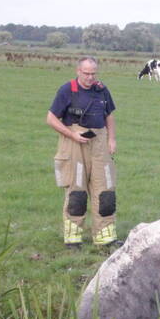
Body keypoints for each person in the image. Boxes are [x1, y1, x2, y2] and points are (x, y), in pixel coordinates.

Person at [46, 56, 118, 248]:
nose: (90, 77)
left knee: (106, 191)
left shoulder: (102, 90)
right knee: (77, 191)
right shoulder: (67, 90)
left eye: (93, 73)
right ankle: (73, 239)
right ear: (78, 71)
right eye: (86, 73)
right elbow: (51, 119)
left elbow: (109, 115)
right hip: (74, 143)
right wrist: (72, 135)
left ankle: (105, 238)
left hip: (100, 143)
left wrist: (111, 139)